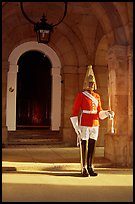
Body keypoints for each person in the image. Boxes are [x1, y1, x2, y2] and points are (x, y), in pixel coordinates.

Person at [70, 71, 114, 177]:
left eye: (93, 83)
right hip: (84, 122)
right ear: (86, 84)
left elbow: (99, 112)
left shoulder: (97, 96)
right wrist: (76, 126)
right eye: (89, 83)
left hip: (95, 123)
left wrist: (107, 113)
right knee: (84, 145)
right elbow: (75, 111)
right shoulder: (81, 95)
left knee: (92, 145)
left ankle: (90, 166)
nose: (91, 85)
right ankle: (84, 167)